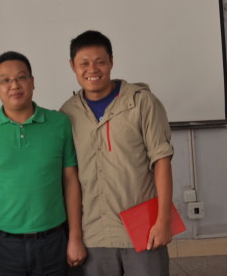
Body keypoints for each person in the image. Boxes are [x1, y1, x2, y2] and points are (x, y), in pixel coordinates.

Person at [60, 30, 174, 276]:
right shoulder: (68, 113)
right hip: (94, 233)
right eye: (84, 63)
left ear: (111, 61)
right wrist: (74, 236)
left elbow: (162, 162)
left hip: (143, 229)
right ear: (72, 66)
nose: (92, 69)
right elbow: (71, 178)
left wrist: (163, 221)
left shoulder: (142, 102)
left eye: (100, 61)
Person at [0, 51, 87, 276]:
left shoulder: (59, 123)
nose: (14, 85)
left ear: (32, 82)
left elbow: (71, 181)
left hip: (53, 242)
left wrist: (75, 237)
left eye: (21, 77)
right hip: (2, 245)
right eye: (5, 80)